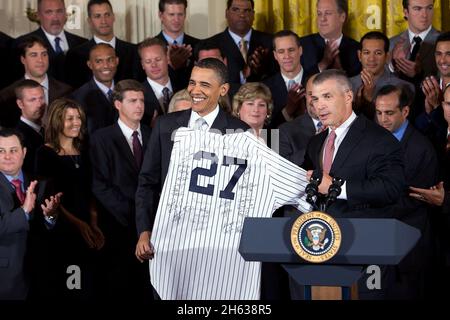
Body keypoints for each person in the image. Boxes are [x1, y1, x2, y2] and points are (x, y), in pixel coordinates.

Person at [134, 58, 249, 283]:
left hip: (218, 245)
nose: (195, 90)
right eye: (192, 83)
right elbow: (147, 182)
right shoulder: (166, 125)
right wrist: (144, 231)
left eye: (204, 85)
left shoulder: (240, 132)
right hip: (168, 239)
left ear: (223, 89)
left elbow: (245, 192)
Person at [302, 69, 405, 299]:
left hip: (365, 249)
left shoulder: (379, 139)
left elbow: (391, 188)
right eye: (315, 98)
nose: (319, 105)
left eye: (327, 97)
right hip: (321, 248)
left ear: (348, 96)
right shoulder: (316, 142)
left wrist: (338, 188)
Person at [35, 98, 104, 299]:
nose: (76, 122)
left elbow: (91, 189)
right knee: (70, 288)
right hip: (63, 231)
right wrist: (79, 225)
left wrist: (92, 222)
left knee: (89, 287)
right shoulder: (44, 153)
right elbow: (49, 197)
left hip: (88, 230)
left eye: (78, 118)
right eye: (69, 118)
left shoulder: (85, 150)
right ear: (57, 121)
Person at [374, 84, 438, 299]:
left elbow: (413, 198)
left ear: (406, 111)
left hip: (410, 243)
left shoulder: (422, 148)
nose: (383, 119)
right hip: (379, 243)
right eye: (379, 113)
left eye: (389, 113)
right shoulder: (371, 142)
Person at [90, 80, 152, 299]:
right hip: (119, 227)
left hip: (152, 227)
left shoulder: (152, 133)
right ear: (117, 104)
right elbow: (100, 185)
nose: (139, 106)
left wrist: (148, 220)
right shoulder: (101, 138)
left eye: (142, 100)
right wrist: (135, 217)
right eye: (132, 101)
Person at [0, 128, 61, 300]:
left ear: (24, 152)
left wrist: (50, 216)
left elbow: (51, 229)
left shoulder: (42, 184)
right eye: (1, 151)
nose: (7, 156)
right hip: (6, 280)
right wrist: (24, 211)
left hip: (43, 275)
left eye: (13, 150)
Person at [65, 0, 141, 88]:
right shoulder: (76, 55)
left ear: (113, 17)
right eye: (97, 16)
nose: (104, 21)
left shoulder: (133, 51)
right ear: (89, 21)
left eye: (107, 15)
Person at [0, 36, 72, 128]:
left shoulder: (66, 91)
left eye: (44, 54)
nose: (40, 60)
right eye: (34, 55)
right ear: (23, 59)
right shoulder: (7, 95)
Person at [13, 0, 87, 82]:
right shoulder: (20, 43)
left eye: (59, 11)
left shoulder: (82, 43)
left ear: (65, 13)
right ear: (38, 15)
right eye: (49, 12)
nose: (55, 18)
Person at [206, 0, 276, 88]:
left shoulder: (270, 42)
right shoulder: (211, 45)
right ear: (226, 13)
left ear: (253, 14)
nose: (242, 15)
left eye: (247, 11)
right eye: (236, 10)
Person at [350, 31, 414, 120]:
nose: (371, 59)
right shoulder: (347, 85)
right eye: (366, 53)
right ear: (359, 55)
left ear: (387, 57)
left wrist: (369, 99)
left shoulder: (403, 87)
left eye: (378, 53)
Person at [299, 0, 361, 77]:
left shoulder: (357, 49)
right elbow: (298, 81)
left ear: (342, 17)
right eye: (319, 14)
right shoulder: (301, 45)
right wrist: (323, 64)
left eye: (328, 13)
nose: (322, 19)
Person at [264, 30, 311, 128]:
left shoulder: (317, 81)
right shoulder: (265, 88)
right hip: (278, 142)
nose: (287, 56)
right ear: (275, 55)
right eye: (281, 51)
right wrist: (287, 112)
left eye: (291, 50)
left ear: (300, 50)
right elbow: (266, 129)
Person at [71, 43, 118, 135]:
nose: (105, 66)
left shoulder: (127, 91)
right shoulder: (78, 98)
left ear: (117, 61)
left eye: (110, 60)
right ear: (90, 64)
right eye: (98, 61)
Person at [389, 0, 439, 81]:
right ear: (406, 12)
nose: (425, 15)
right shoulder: (391, 43)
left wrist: (420, 74)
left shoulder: (445, 42)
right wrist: (393, 65)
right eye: (417, 9)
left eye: (429, 8)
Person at [138, 37, 183, 127]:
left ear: (167, 58)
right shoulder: (138, 95)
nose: (154, 65)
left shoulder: (184, 85)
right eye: (148, 61)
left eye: (158, 59)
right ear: (142, 64)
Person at [279, 74, 321, 167]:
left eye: (325, 95)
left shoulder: (350, 126)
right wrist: (317, 143)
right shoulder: (285, 131)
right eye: (311, 94)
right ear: (305, 96)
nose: (316, 100)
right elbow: (278, 170)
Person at [155, 0, 199, 88]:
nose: (176, 19)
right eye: (171, 14)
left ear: (185, 15)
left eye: (180, 14)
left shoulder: (198, 45)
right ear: (161, 15)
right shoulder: (150, 47)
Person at [14, 80, 46, 175]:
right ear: (20, 104)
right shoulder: (18, 137)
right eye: (33, 100)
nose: (39, 104)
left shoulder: (44, 130)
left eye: (41, 98)